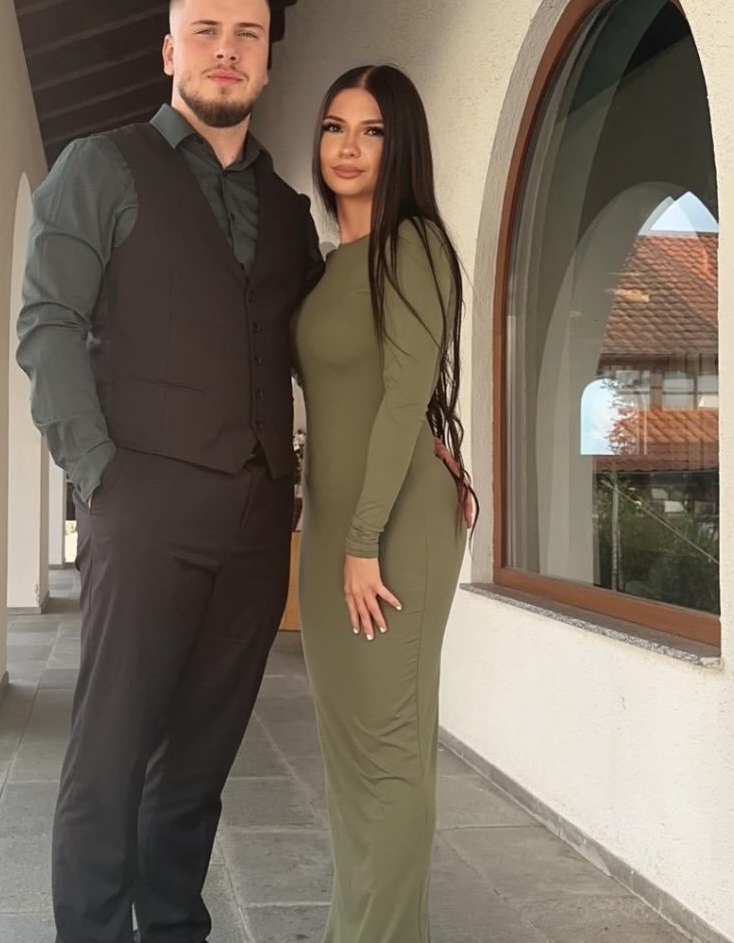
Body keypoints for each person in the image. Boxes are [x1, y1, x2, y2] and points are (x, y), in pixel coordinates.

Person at [16, 0, 322, 943]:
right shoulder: (100, 168)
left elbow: (316, 353)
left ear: (268, 61)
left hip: (258, 525)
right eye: (207, 32)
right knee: (108, 764)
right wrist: (100, 479)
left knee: (196, 770)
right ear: (170, 51)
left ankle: (174, 929)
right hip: (142, 510)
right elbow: (48, 326)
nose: (227, 51)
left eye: (247, 35)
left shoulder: (289, 212)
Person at [294, 64, 474, 943]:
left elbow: (405, 395)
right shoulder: (330, 264)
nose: (349, 147)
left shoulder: (415, 245)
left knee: (391, 750)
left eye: (371, 131)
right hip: (333, 529)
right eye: (335, 127)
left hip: (390, 531)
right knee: (350, 759)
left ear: (401, 146)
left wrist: (363, 539)